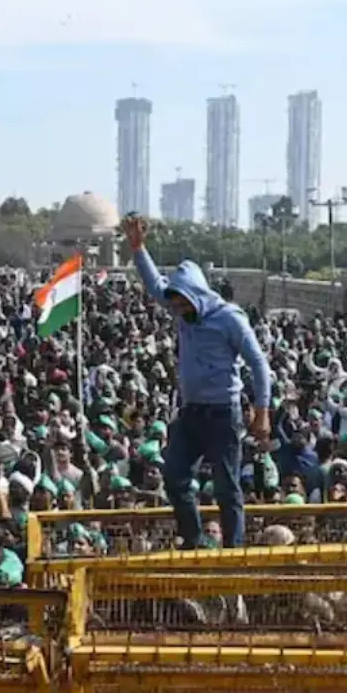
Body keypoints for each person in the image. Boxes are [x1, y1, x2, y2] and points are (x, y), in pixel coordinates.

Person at [122, 214, 272, 551]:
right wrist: (137, 248)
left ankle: (233, 549)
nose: (174, 308)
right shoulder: (179, 307)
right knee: (174, 475)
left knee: (226, 487)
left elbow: (259, 364)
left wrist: (262, 411)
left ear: (197, 296)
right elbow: (155, 285)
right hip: (191, 413)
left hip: (223, 414)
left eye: (180, 302)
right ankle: (195, 538)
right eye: (172, 302)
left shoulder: (229, 319)